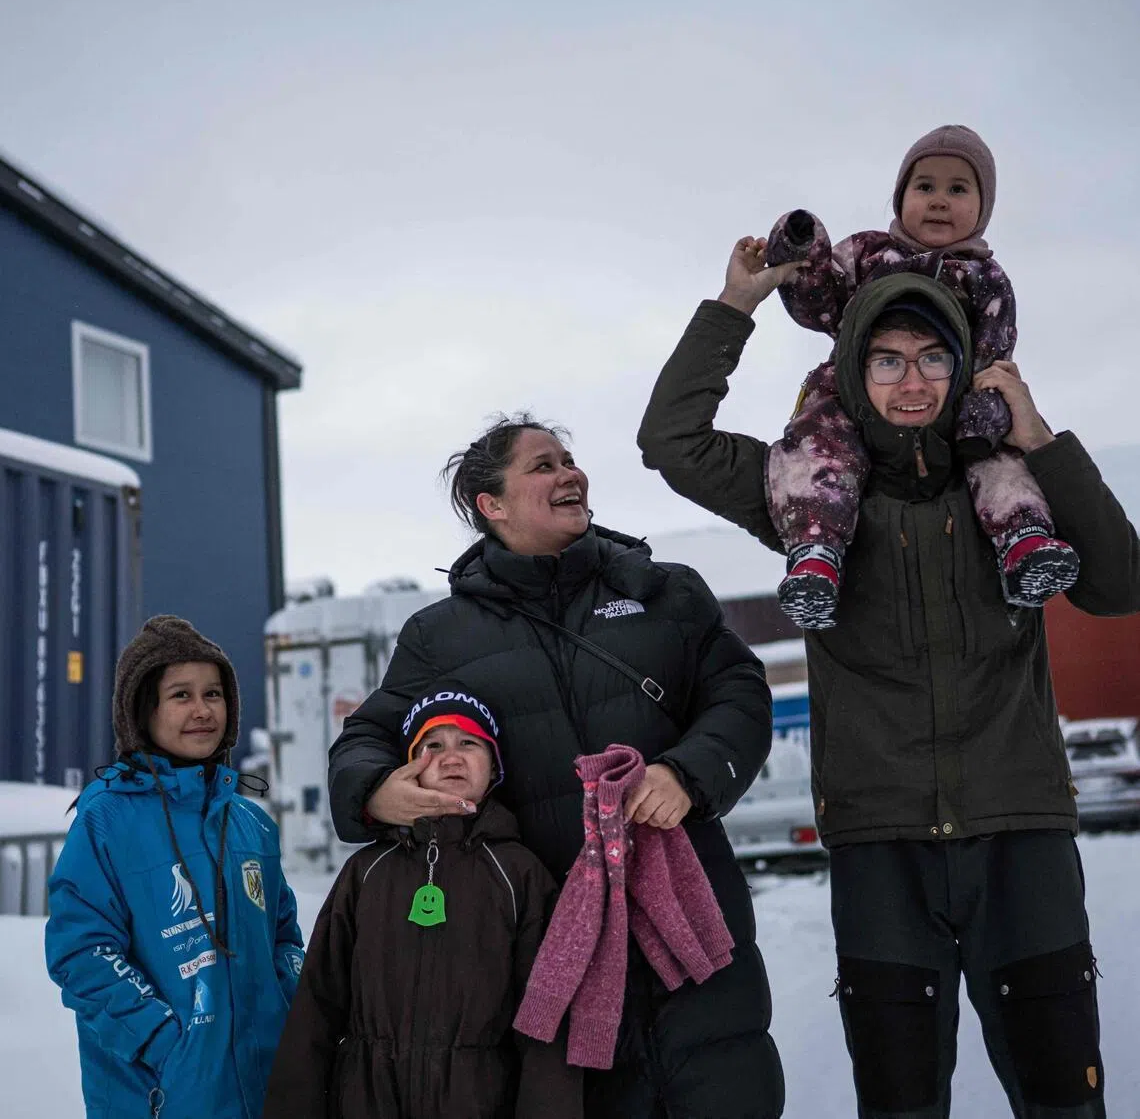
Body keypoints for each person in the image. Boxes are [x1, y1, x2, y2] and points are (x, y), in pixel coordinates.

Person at [637, 236, 1140, 1118]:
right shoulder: (807, 498)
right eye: (887, 361)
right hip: (882, 857)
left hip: (1021, 844)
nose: (912, 381)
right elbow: (671, 440)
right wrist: (735, 307)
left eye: (934, 358)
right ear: (851, 373)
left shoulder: (1012, 495)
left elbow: (1118, 584)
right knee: (900, 1104)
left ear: (964, 368)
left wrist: (1040, 435)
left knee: (1066, 1100)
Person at [326, 414, 785, 1118]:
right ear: (493, 505)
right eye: (543, 466)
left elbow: (740, 691)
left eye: (569, 460)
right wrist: (376, 793)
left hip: (692, 915)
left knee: (728, 1091)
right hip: (556, 939)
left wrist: (688, 774)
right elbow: (368, 737)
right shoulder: (439, 635)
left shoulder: (664, 591)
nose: (570, 474)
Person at [761, 124, 1078, 628]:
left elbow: (993, 354)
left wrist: (980, 425)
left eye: (958, 189)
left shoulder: (986, 279)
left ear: (983, 205)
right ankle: (816, 554)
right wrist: (799, 245)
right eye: (924, 186)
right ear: (901, 195)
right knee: (813, 452)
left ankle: (1025, 542)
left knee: (1002, 462)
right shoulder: (868, 253)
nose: (939, 201)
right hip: (853, 395)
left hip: (957, 400)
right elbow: (817, 304)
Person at [263, 680, 582, 1119]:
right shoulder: (366, 872)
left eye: (469, 742)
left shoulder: (521, 876)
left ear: (494, 765)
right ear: (409, 766)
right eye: (432, 744)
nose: (451, 756)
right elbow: (316, 1007)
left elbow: (546, 1024)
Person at [45, 615, 305, 1119]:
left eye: (213, 693)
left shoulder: (250, 822)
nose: (202, 710)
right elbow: (82, 953)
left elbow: (283, 935)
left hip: (267, 1087)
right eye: (180, 695)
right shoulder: (106, 819)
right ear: (142, 709)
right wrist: (164, 1043)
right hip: (162, 1095)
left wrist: (285, 1009)